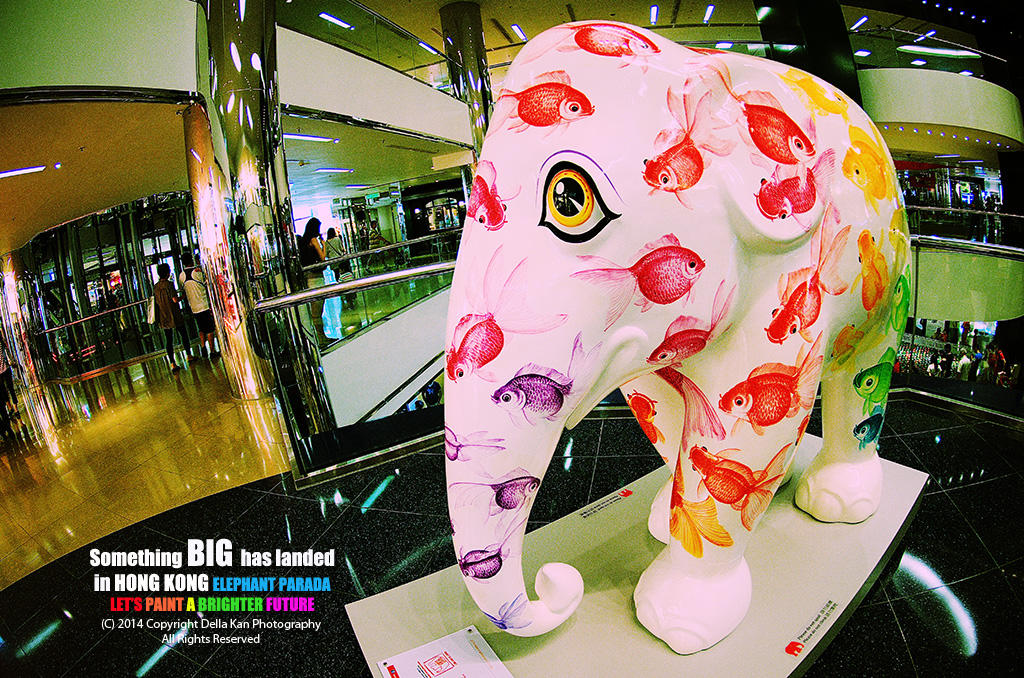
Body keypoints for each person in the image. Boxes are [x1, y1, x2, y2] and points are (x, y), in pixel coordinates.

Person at [153, 262, 194, 373]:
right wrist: (183, 296)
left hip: (163, 316)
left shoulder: (155, 287)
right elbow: (175, 299)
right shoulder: (169, 284)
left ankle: (172, 363)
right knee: (183, 334)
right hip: (174, 315)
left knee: (169, 340)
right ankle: (189, 355)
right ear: (167, 273)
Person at [179, 252, 219, 359]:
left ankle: (203, 346)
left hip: (194, 307)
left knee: (201, 328)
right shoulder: (197, 272)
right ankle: (212, 351)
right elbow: (207, 282)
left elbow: (183, 289)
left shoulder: (181, 276)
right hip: (204, 304)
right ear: (191, 260)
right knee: (210, 329)